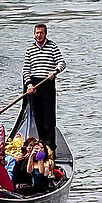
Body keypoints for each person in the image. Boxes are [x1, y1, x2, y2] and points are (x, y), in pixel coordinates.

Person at [21, 21, 65, 150]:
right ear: (34, 34)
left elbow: (62, 62)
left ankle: (50, 145)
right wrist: (29, 84)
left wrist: (55, 72)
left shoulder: (52, 47)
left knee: (49, 117)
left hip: (47, 83)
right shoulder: (30, 49)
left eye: (41, 33)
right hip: (34, 85)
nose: (39, 35)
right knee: (38, 116)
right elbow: (26, 69)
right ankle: (42, 144)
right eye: (37, 33)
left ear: (45, 34)